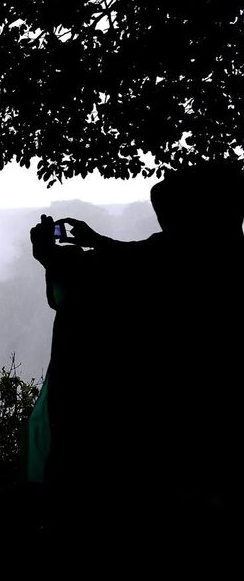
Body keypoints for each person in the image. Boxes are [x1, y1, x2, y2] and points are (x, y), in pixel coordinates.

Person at [29, 160, 244, 555]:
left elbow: (86, 285)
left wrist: (47, 253)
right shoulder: (224, 255)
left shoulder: (169, 258)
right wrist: (97, 238)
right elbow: (142, 256)